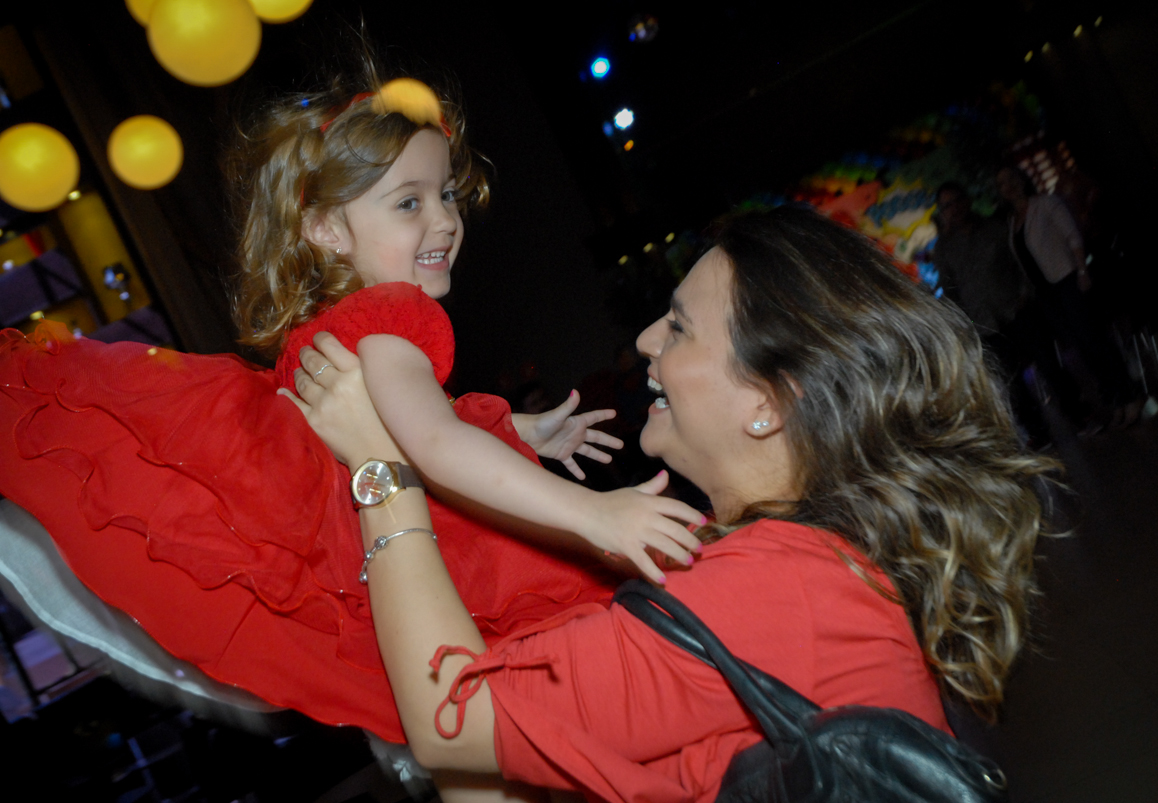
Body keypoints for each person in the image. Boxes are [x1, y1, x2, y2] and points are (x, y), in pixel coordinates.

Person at [0, 68, 702, 745]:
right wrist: (593, 512)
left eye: (448, 196)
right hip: (470, 571)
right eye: (409, 202)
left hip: (394, 574)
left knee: (513, 737)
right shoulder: (396, 315)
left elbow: (402, 426)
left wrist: (516, 427)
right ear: (327, 230)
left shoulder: (338, 330)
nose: (445, 220)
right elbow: (430, 444)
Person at [290, 205, 1057, 803]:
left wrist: (382, 473)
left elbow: (455, 718)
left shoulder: (777, 583)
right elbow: (491, 759)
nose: (648, 338)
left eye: (681, 325)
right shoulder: (776, 557)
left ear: (767, 402)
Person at [933, 181, 1081, 445]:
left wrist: (1026, 292)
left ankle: (1079, 414)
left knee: (1048, 364)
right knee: (1011, 383)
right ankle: (1037, 431)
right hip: (984, 323)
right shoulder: (944, 248)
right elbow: (950, 290)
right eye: (946, 206)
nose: (953, 209)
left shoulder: (995, 228)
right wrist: (966, 324)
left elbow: (1020, 259)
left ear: (966, 200)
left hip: (1017, 308)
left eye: (956, 201)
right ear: (941, 212)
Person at [996, 165, 1142, 430]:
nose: (1008, 186)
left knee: (1094, 340)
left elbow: (1072, 235)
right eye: (1002, 183)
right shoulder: (1012, 222)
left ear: (1021, 179)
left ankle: (1129, 396)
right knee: (1082, 348)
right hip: (1046, 293)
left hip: (1067, 280)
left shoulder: (1045, 204)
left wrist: (1082, 271)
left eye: (1011, 179)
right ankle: (1116, 400)